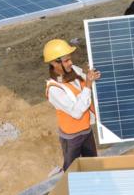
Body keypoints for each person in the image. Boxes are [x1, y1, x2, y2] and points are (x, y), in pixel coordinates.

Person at [43, 39, 101, 171]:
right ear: (54, 63)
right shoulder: (54, 89)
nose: (71, 63)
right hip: (72, 138)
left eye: (70, 59)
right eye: (66, 60)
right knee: (71, 171)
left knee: (92, 165)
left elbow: (86, 78)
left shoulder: (73, 70)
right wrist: (87, 85)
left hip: (87, 130)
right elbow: (76, 112)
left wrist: (92, 76)